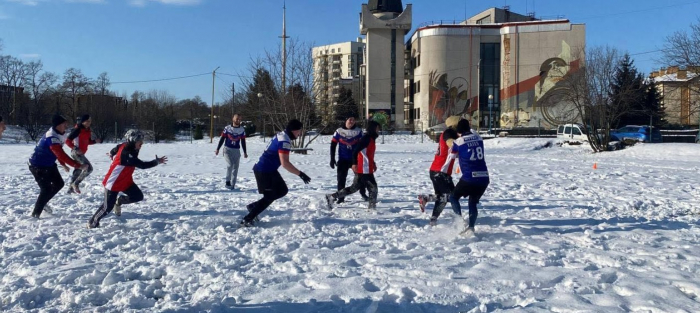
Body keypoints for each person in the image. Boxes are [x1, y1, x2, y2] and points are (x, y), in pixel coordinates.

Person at [87, 129, 167, 228]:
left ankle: (119, 201)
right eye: (139, 141)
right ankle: (92, 222)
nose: (141, 143)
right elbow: (142, 165)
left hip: (126, 180)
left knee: (138, 196)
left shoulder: (127, 145)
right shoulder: (127, 154)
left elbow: (116, 148)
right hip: (113, 182)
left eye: (142, 140)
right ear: (132, 140)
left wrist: (112, 154)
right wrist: (156, 162)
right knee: (107, 208)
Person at [241, 119, 311, 227]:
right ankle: (247, 219)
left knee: (282, 190)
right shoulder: (284, 141)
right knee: (270, 196)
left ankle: (253, 207)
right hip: (263, 170)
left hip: (269, 169)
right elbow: (285, 163)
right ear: (293, 130)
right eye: (299, 131)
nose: (300, 133)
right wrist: (301, 174)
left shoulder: (283, 135)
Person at [28, 114, 88, 218]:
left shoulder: (60, 134)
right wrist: (77, 165)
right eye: (64, 123)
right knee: (46, 189)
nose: (66, 125)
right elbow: (60, 153)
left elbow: (58, 152)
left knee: (59, 183)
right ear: (58, 125)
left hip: (49, 164)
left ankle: (43, 203)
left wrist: (63, 164)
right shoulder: (51, 137)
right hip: (37, 165)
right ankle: (35, 214)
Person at [325, 120, 380, 210]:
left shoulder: (371, 138)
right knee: (373, 188)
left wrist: (373, 163)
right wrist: (354, 163)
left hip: (367, 167)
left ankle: (332, 197)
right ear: (373, 128)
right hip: (363, 167)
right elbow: (355, 151)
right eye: (377, 128)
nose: (378, 130)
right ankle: (372, 208)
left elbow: (369, 153)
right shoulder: (366, 138)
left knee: (354, 187)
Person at [448, 119, 490, 236]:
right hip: (484, 178)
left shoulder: (459, 141)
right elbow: (473, 133)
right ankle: (471, 227)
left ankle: (460, 221)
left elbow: (452, 156)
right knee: (472, 202)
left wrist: (444, 170)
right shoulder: (479, 138)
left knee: (453, 197)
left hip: (469, 177)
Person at [417, 116, 461, 226]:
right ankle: (459, 220)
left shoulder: (452, 133)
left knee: (444, 197)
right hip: (440, 171)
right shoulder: (449, 132)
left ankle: (433, 218)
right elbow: (449, 141)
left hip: (438, 170)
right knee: (451, 196)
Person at [330, 115, 368, 203]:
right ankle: (341, 197)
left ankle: (363, 193)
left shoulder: (358, 131)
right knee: (341, 178)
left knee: (361, 178)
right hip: (343, 159)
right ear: (345, 120)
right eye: (350, 119)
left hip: (355, 159)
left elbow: (363, 145)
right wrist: (332, 158)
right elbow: (333, 145)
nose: (352, 121)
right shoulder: (339, 131)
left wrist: (365, 159)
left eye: (354, 120)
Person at [65, 114, 101, 194]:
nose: (89, 123)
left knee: (78, 169)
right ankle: (75, 184)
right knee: (89, 168)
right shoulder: (78, 129)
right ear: (83, 121)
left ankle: (70, 189)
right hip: (76, 153)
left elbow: (88, 142)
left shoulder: (88, 130)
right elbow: (67, 141)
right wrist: (75, 148)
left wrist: (95, 141)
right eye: (87, 121)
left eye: (90, 121)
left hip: (81, 153)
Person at [215, 113, 248, 190]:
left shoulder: (242, 130)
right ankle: (227, 181)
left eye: (240, 119)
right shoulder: (227, 128)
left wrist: (245, 152)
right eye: (237, 119)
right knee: (230, 165)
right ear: (233, 119)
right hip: (227, 149)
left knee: (235, 167)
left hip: (236, 150)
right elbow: (222, 138)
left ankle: (233, 184)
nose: (238, 120)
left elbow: (243, 141)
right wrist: (218, 149)